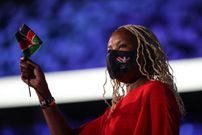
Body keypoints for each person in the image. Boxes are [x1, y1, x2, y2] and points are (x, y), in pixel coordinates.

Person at [20, 24, 184, 135]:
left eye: (121, 47)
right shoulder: (113, 112)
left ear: (143, 53)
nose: (113, 54)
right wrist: (42, 91)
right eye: (109, 50)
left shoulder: (155, 91)